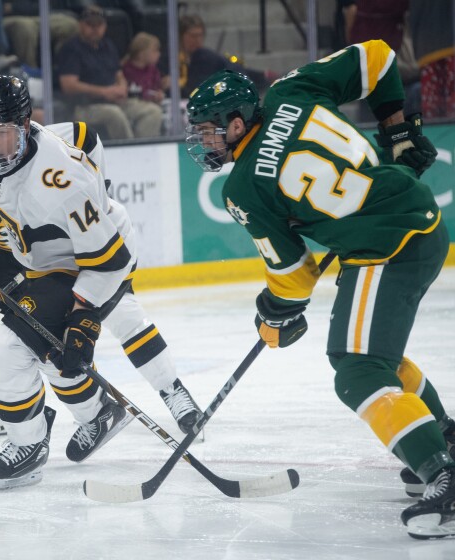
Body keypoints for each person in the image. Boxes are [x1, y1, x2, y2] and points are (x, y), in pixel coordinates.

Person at [183, 40, 451, 539]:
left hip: (387, 246)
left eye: (209, 131)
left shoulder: (242, 187)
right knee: (374, 358)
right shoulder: (291, 90)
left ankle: (443, 473)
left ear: (237, 124)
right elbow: (378, 57)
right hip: (412, 220)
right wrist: (395, 129)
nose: (204, 143)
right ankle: (446, 441)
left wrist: (274, 314)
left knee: (357, 370)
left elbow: (294, 274)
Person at [0, 77, 200, 490]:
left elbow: (109, 262)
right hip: (40, 262)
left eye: (3, 135)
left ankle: (167, 393)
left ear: (25, 126)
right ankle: (88, 418)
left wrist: (84, 315)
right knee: (42, 348)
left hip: (95, 254)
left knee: (101, 320)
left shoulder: (63, 178)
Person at [57, 5, 162, 140]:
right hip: (84, 106)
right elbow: (68, 85)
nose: (95, 29)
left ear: (105, 26)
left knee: (152, 111)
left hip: (114, 101)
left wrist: (122, 87)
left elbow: (119, 74)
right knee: (114, 114)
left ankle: (145, 153)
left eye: (99, 24)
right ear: (81, 24)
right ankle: (129, 152)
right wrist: (104, 92)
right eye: (90, 24)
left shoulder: (108, 46)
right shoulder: (71, 49)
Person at [178, 14, 276, 99]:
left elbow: (194, 87)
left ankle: (264, 76)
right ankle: (264, 76)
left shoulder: (203, 56)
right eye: (193, 36)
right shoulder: (177, 57)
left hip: (238, 86)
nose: (198, 40)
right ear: (181, 36)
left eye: (200, 35)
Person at [121, 32, 168, 104]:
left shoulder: (153, 70)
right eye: (155, 51)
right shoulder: (126, 71)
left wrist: (159, 93)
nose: (159, 54)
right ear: (141, 53)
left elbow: (157, 88)